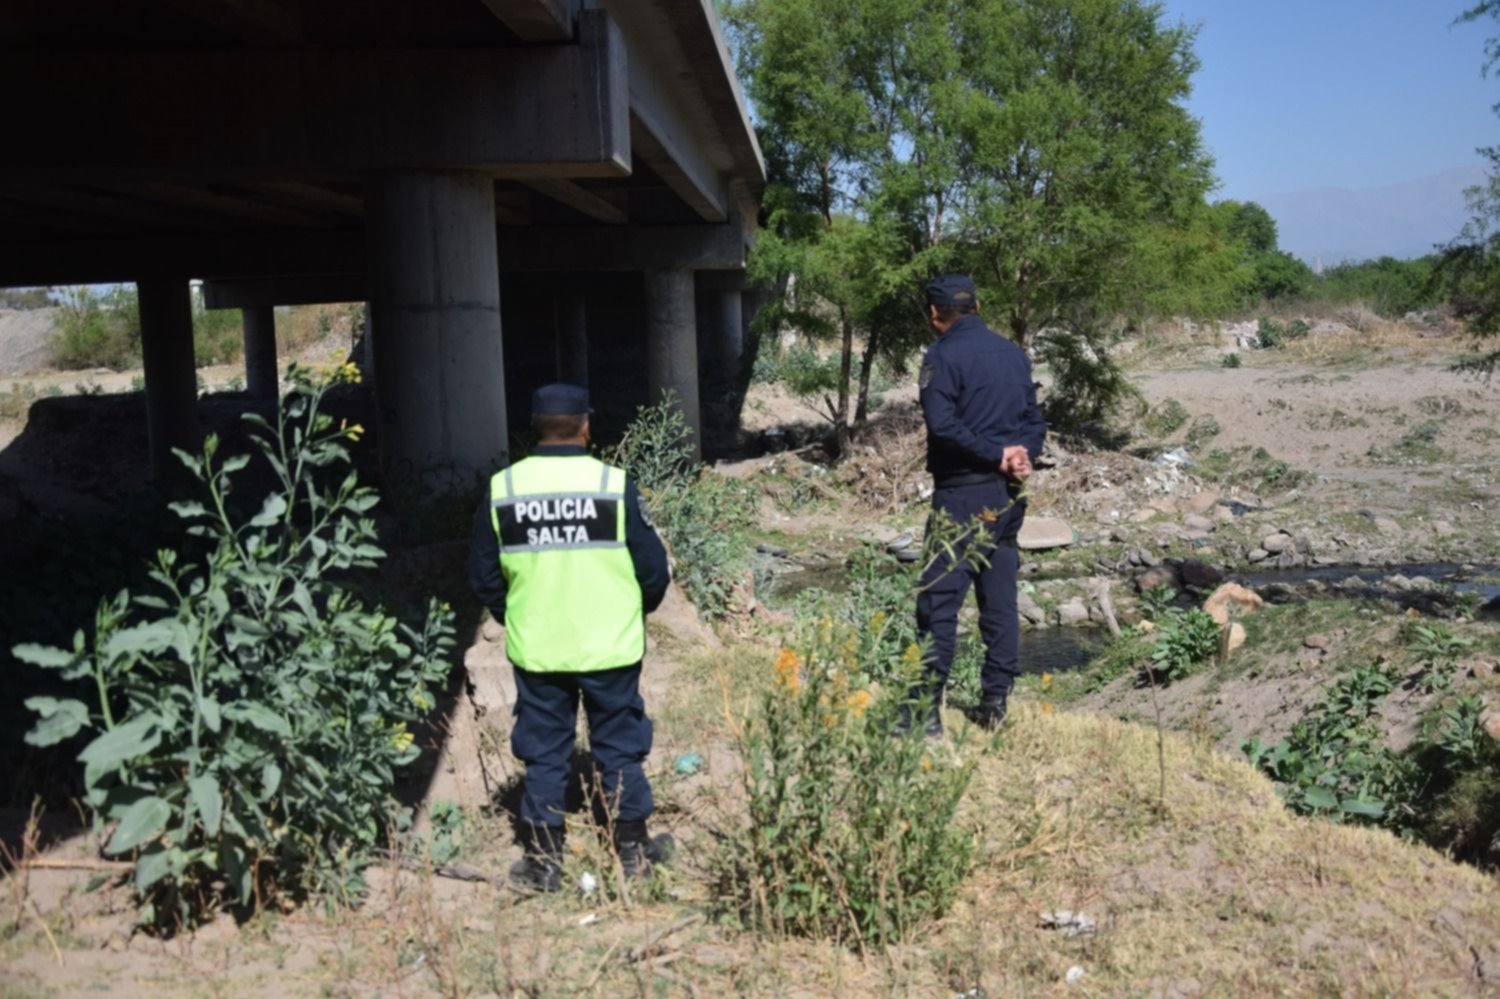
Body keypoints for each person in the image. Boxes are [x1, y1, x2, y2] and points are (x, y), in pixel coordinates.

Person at [468, 383, 672, 892]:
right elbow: (653, 571)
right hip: (610, 646)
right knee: (620, 745)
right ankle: (633, 853)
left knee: (544, 751)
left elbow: (483, 576)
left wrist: (518, 614)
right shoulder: (612, 484)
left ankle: (543, 864)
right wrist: (632, 612)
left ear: (534, 427)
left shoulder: (504, 488)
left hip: (540, 648)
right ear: (586, 426)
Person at [904, 274, 1046, 736]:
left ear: (934, 314)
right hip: (1008, 498)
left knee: (938, 602)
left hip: (963, 497)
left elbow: (942, 424)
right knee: (1000, 601)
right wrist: (1022, 453)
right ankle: (995, 703)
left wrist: (997, 454)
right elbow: (1034, 419)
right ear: (977, 306)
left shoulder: (941, 356)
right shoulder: (1012, 353)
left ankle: (923, 715)